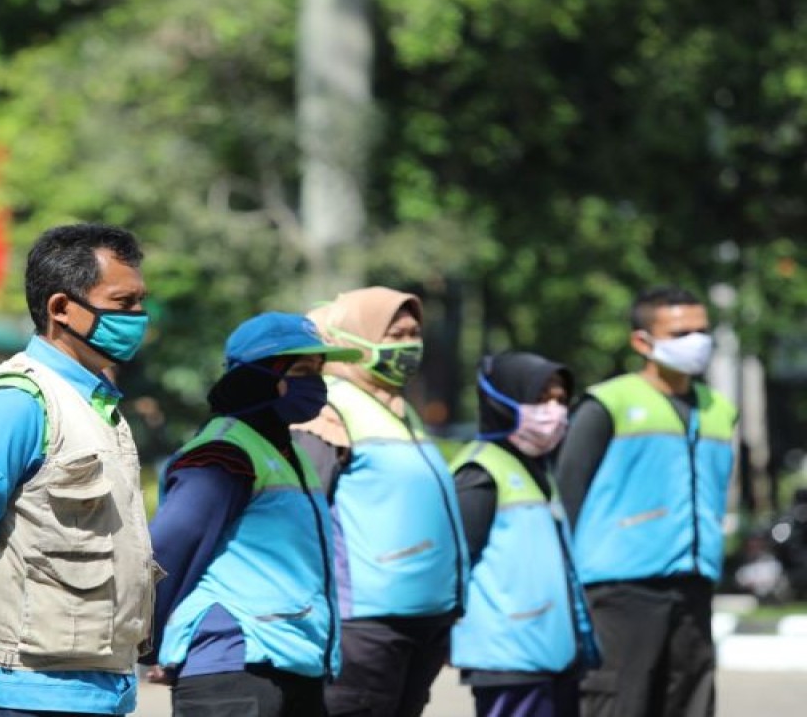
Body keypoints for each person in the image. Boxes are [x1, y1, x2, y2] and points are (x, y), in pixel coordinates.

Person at [0, 224, 157, 717]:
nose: (138, 318)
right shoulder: (16, 401)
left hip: (97, 689)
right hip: (20, 689)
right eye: (123, 303)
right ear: (60, 309)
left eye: (140, 302)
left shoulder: (95, 404)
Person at [146, 311, 361, 716]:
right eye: (300, 369)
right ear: (257, 376)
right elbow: (167, 552)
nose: (314, 383)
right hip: (233, 667)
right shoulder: (222, 453)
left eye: (318, 370)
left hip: (294, 665)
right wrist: (148, 645)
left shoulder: (290, 452)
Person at [555, 286, 737, 717]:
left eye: (702, 330)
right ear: (642, 341)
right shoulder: (609, 403)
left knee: (690, 700)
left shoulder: (719, 409)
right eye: (680, 332)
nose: (696, 341)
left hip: (694, 580)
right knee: (619, 702)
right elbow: (569, 488)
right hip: (621, 586)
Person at [292, 287, 469, 717]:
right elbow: (302, 513)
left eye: (414, 333)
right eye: (395, 334)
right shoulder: (327, 407)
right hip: (364, 624)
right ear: (353, 338)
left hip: (423, 620)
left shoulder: (399, 409)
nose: (409, 345)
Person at [450, 352, 600, 717]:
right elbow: (454, 566)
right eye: (540, 398)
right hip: (509, 659)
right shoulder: (479, 471)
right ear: (502, 400)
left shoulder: (537, 470)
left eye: (561, 400)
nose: (554, 410)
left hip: (554, 653)